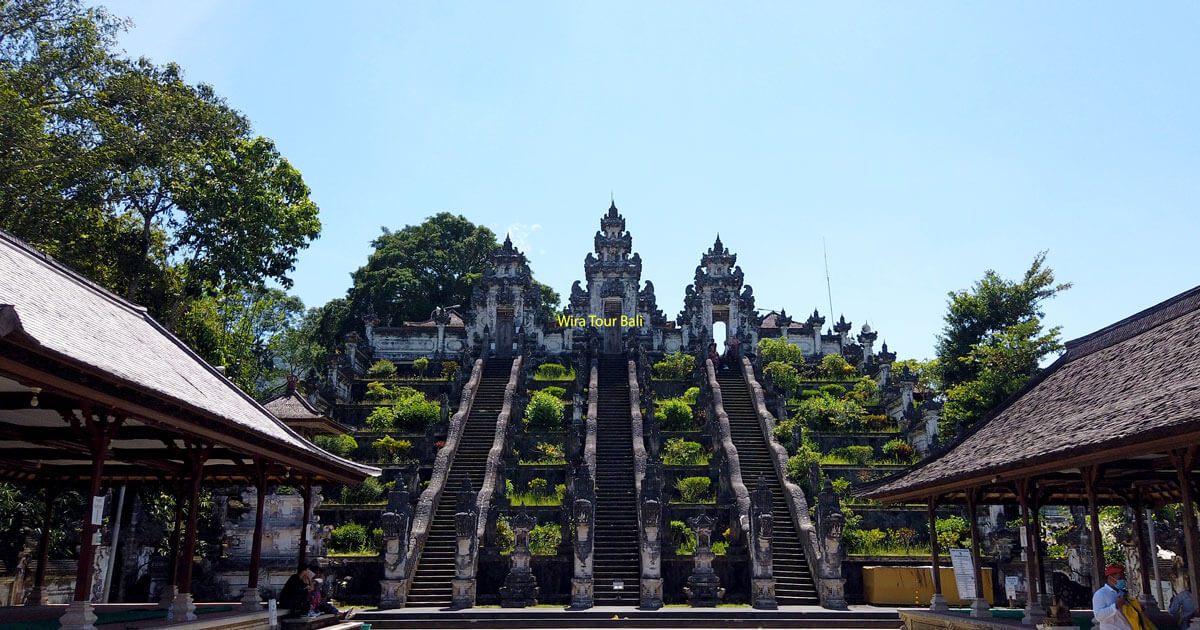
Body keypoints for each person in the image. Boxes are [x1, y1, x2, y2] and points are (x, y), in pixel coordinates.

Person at [1093, 565, 1155, 630]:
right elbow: (1099, 616)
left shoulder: (1123, 593)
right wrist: (1115, 606)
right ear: (1110, 578)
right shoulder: (1100, 594)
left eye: (1123, 578)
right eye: (1119, 578)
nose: (1122, 581)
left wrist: (1137, 607)